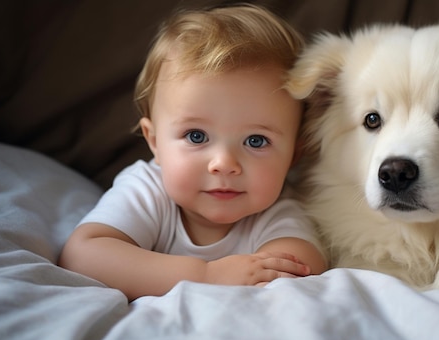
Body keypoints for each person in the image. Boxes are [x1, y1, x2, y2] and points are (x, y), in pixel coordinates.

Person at [58, 4, 327, 301]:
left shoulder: (278, 211)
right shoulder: (148, 189)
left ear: (294, 155)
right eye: (196, 136)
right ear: (155, 142)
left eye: (256, 141)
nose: (224, 164)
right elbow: (82, 256)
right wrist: (207, 276)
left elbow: (301, 267)